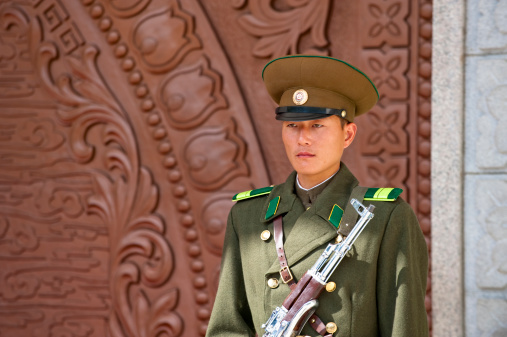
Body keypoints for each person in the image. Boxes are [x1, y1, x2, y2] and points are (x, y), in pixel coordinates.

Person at [206, 55, 429, 337]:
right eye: (293, 126)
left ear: (347, 135)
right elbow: (227, 326)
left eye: (317, 126)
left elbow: (404, 327)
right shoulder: (248, 215)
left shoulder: (384, 217)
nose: (303, 139)